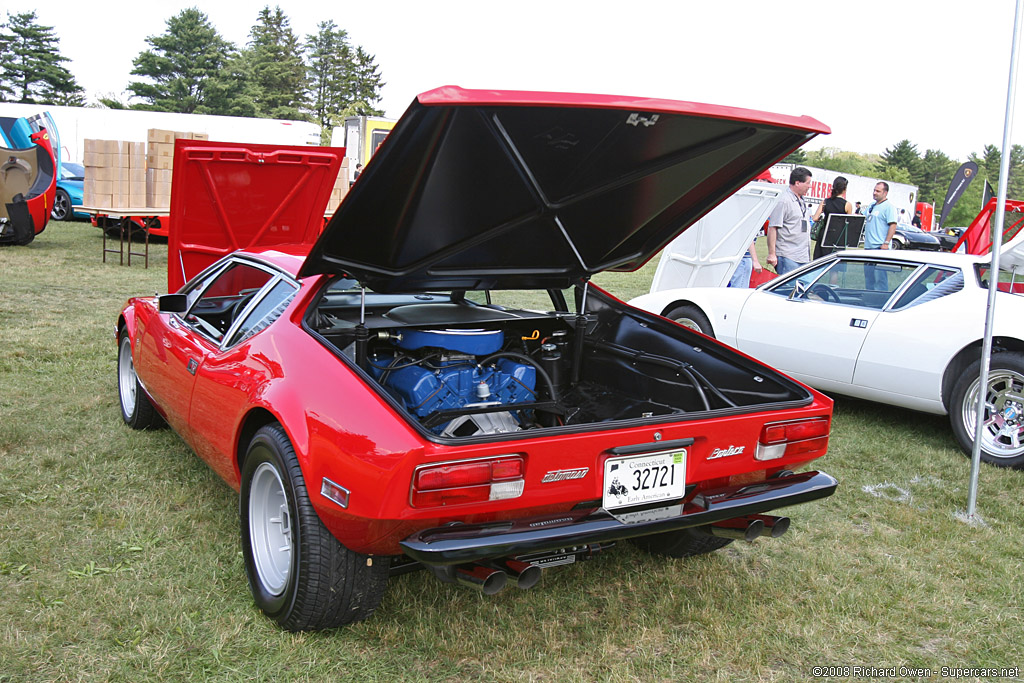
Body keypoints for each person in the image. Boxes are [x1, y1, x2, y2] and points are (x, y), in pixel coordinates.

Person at [766, 167, 812, 275]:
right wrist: (772, 254)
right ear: (797, 183)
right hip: (788, 256)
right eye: (808, 183)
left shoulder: (802, 200)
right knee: (787, 290)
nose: (810, 186)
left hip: (803, 256)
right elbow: (773, 227)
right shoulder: (783, 201)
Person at [862, 181, 899, 290]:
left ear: (885, 193)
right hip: (868, 247)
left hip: (879, 247)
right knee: (869, 277)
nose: (875, 193)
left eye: (878, 191)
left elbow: (893, 225)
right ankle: (869, 297)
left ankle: (880, 299)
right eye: (874, 190)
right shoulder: (871, 206)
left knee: (880, 278)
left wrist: (886, 243)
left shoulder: (889, 207)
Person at [810, 176, 854, 259]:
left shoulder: (825, 201)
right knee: (834, 264)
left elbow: (815, 218)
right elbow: (848, 222)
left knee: (820, 261)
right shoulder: (847, 205)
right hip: (838, 236)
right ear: (845, 189)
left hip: (825, 234)